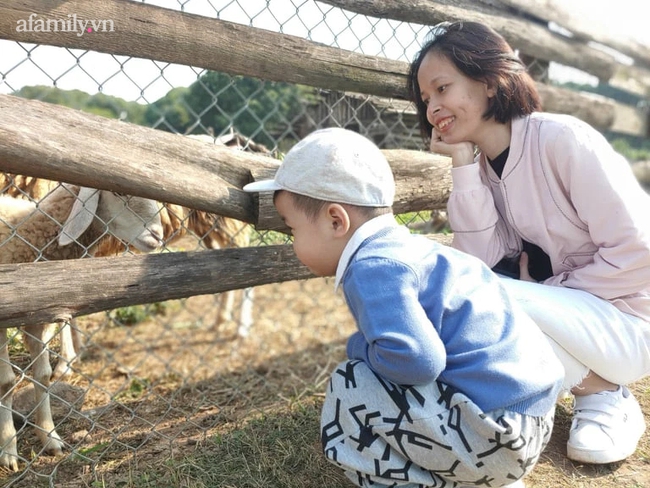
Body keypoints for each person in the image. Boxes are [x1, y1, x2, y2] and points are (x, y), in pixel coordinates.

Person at [243, 127, 563, 488]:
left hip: (496, 437)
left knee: (351, 382)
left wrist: (359, 347)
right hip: (530, 422)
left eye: (292, 229)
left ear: (336, 221)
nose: (293, 243)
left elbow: (418, 361)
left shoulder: (372, 267)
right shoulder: (417, 253)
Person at [407, 20, 650, 466]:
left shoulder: (561, 140)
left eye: (442, 88)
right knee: (464, 287)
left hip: (629, 322)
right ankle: (590, 388)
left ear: (487, 79)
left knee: (465, 288)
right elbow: (479, 261)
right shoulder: (482, 172)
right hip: (569, 324)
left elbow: (641, 252)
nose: (432, 108)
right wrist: (463, 164)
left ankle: (606, 391)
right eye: (426, 99)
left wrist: (548, 292)